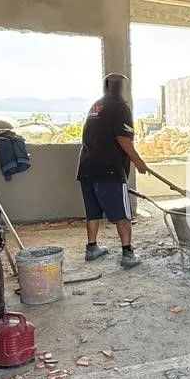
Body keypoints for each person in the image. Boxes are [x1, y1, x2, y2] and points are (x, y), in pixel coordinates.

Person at [77, 73, 149, 268]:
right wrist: (138, 161)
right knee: (123, 214)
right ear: (122, 88)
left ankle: (92, 248)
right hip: (109, 170)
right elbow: (123, 139)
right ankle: (128, 254)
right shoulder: (120, 107)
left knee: (93, 212)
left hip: (87, 168)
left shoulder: (96, 106)